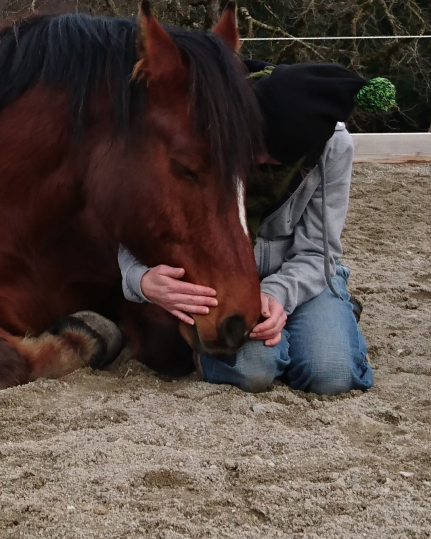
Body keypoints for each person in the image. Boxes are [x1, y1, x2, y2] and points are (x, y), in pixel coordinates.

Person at [119, 61, 396, 395]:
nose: (258, 159)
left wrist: (276, 295)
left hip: (298, 274)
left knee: (331, 375)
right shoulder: (203, 126)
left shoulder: (334, 147)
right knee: (253, 372)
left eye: (274, 158)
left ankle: (332, 314)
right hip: (224, 278)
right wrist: (139, 279)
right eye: (256, 144)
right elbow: (135, 220)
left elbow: (317, 250)